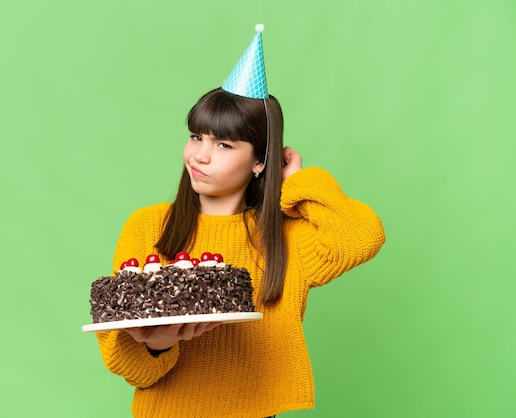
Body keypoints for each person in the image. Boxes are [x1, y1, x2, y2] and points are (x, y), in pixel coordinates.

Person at [93, 27, 385, 418]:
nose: (200, 156)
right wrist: (158, 343)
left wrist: (296, 183)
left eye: (224, 145)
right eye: (196, 137)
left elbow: (361, 237)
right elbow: (129, 366)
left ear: (260, 161)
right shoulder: (149, 227)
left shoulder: (287, 239)